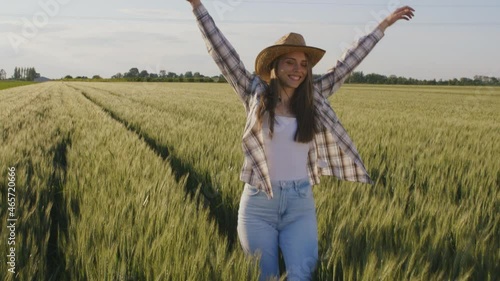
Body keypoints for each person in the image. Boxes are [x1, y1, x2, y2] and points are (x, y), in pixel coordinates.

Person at [186, 1, 414, 280]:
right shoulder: (255, 93)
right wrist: (197, 6)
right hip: (258, 205)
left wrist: (383, 25)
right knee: (265, 277)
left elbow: (349, 61)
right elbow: (222, 52)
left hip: (300, 204)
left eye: (303, 64)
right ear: (275, 66)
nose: (298, 69)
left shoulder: (314, 95)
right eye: (290, 62)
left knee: (301, 276)